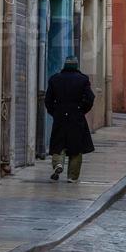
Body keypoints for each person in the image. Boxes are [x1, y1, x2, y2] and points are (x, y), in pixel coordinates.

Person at [44, 55, 95, 183]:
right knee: (76, 147)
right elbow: (90, 98)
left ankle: (58, 164)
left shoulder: (54, 79)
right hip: (76, 116)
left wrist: (54, 112)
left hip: (60, 115)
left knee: (58, 142)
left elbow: (48, 100)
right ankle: (72, 176)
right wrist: (81, 110)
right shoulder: (83, 80)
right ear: (76, 66)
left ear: (65, 65)